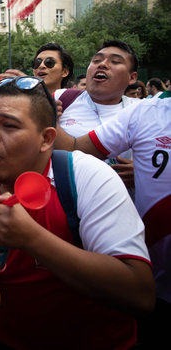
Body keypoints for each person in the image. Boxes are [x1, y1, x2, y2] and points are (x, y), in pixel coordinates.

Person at [0, 76, 155, 349]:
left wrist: (32, 238)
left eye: (10, 126)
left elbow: (139, 294)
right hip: (7, 338)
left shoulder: (88, 177)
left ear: (47, 138)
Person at [54, 96, 171, 349]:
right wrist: (49, 118)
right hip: (153, 280)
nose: (103, 64)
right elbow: (76, 147)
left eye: (115, 59)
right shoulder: (148, 111)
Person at [55, 40, 139, 191]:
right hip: (62, 199)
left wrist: (145, 174)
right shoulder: (61, 98)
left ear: (132, 78)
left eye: (115, 61)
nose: (103, 64)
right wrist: (42, 117)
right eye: (96, 60)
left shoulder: (141, 111)